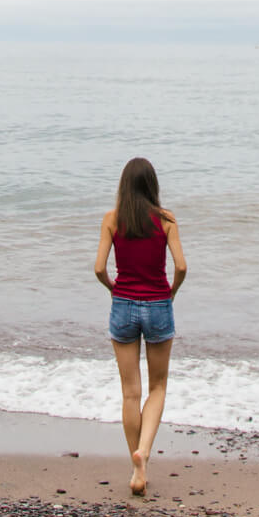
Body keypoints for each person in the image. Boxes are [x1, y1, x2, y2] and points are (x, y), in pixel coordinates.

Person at [93, 155, 187, 496]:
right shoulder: (166, 220)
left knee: (130, 392)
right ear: (152, 185)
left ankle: (138, 468)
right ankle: (144, 452)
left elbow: (100, 268)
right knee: (158, 387)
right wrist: (170, 293)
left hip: (123, 306)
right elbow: (181, 266)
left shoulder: (112, 219)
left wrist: (115, 290)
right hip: (158, 305)